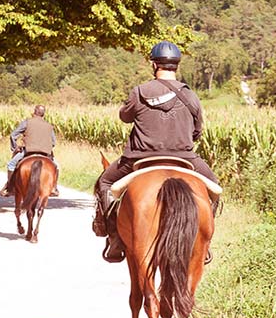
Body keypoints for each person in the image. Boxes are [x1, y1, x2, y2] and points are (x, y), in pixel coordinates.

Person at [93, 41, 220, 262]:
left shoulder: (140, 92)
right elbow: (198, 131)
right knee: (215, 189)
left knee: (104, 182)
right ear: (176, 66)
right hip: (184, 157)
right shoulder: (191, 96)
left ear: (154, 65)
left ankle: (113, 238)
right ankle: (204, 244)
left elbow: (125, 117)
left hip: (139, 157)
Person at [0, 105, 59, 197]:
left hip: (28, 151)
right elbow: (54, 142)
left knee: (11, 165)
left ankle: (10, 188)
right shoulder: (49, 126)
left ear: (34, 112)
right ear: (43, 114)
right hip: (45, 153)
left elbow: (13, 135)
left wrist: (15, 147)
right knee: (56, 166)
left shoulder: (27, 122)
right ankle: (54, 188)